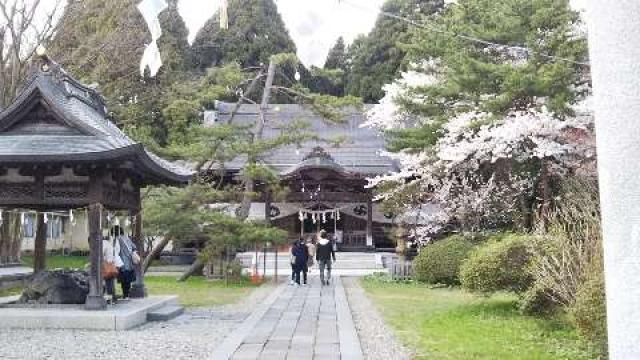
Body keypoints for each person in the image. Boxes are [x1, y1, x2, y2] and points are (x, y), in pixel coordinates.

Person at [115, 226, 138, 299]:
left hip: (122, 262)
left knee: (124, 281)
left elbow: (116, 250)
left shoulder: (117, 239)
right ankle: (126, 294)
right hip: (129, 262)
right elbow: (134, 247)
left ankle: (125, 295)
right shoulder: (127, 238)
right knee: (127, 281)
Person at [102, 234, 123, 304]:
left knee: (109, 283)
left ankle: (111, 299)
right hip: (116, 264)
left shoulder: (103, 243)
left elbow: (100, 254)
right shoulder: (108, 242)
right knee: (110, 283)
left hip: (110, 265)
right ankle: (112, 299)